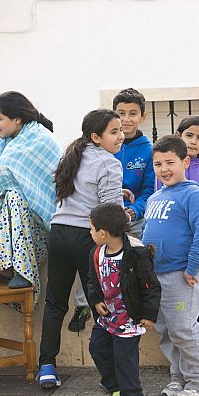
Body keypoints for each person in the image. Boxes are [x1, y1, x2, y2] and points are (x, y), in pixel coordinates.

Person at [37, 109, 124, 389]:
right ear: (96, 137)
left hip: (58, 233)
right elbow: (110, 213)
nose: (121, 136)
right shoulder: (109, 164)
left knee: (55, 303)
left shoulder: (71, 157)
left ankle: (47, 366)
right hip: (87, 238)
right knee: (102, 304)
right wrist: (129, 217)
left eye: (121, 130)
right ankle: (110, 374)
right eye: (114, 132)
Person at [68, 88, 155, 333]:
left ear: (143, 117)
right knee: (93, 248)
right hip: (102, 214)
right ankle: (84, 303)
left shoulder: (147, 150)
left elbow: (150, 190)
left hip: (131, 218)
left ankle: (132, 304)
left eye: (133, 113)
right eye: (121, 113)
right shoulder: (99, 146)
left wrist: (133, 211)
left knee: (131, 254)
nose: (126, 119)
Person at [143, 135, 199, 396]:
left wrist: (193, 267)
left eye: (170, 162)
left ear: (185, 161)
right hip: (158, 277)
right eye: (158, 164)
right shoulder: (155, 197)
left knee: (184, 329)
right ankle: (180, 379)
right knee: (166, 331)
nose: (164, 169)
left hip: (182, 275)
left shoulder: (193, 194)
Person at [0, 91, 61, 293]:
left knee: (14, 197)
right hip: (9, 211)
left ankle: (23, 269)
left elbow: (41, 185)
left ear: (17, 119)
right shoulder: (2, 139)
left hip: (34, 219)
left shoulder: (41, 139)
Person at [158, 116, 199, 374]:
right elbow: (160, 201)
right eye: (189, 136)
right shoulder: (167, 169)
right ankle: (182, 362)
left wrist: (195, 232)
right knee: (175, 310)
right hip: (174, 255)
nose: (194, 141)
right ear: (179, 136)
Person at [86, 203, 160, 396]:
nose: (89, 232)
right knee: (97, 348)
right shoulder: (96, 253)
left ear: (103, 233)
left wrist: (149, 315)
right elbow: (92, 281)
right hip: (107, 317)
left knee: (124, 359)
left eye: (91, 229)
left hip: (129, 319)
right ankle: (115, 387)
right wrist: (95, 300)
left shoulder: (136, 254)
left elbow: (151, 286)